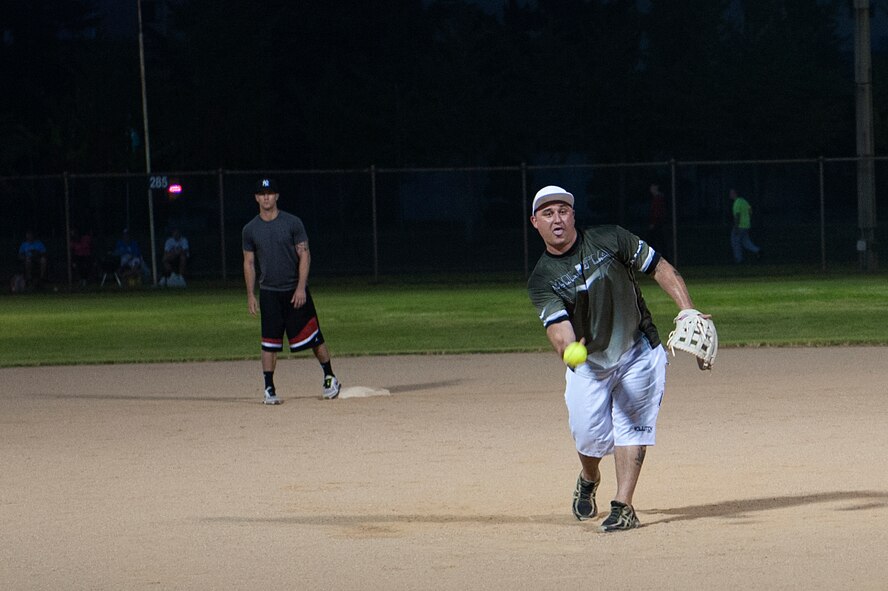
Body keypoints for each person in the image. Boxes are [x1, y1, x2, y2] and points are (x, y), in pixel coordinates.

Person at [527, 185, 709, 533]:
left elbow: (660, 267)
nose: (557, 219)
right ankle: (589, 475)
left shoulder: (610, 238)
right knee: (588, 437)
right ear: (535, 222)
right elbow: (557, 328)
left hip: (639, 348)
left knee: (633, 424)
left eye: (563, 211)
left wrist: (688, 309)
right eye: (548, 214)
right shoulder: (542, 279)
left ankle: (624, 505)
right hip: (589, 365)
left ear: (573, 215)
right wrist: (568, 349)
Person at [242, 177, 341, 404]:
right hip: (269, 292)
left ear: (276, 196)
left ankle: (329, 377)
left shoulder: (293, 222)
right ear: (257, 198)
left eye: (270, 193)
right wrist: (250, 294)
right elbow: (248, 263)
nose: (266, 197)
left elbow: (304, 254)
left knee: (314, 338)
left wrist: (300, 288)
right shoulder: (250, 229)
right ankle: (269, 388)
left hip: (294, 291)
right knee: (269, 342)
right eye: (262, 193)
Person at [729, 188, 761, 263]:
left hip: (740, 226)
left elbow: (737, 215)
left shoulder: (736, 203)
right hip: (746, 225)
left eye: (731, 193)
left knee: (735, 242)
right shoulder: (744, 201)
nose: (730, 195)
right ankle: (758, 251)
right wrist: (747, 218)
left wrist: (736, 227)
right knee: (746, 242)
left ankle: (738, 259)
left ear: (735, 194)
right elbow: (750, 211)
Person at [646, 183, 669, 259]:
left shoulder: (658, 199)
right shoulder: (657, 198)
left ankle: (658, 258)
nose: (651, 189)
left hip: (657, 223)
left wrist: (653, 222)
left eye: (652, 187)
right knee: (659, 241)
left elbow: (657, 212)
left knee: (655, 241)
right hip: (658, 223)